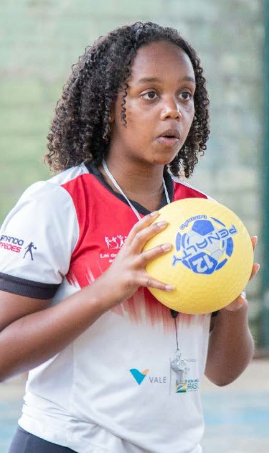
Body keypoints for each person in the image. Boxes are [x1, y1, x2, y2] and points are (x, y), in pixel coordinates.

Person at [0, 22, 259, 453]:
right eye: (150, 94)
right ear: (108, 105)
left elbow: (223, 372)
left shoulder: (204, 217)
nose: (173, 110)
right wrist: (104, 292)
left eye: (185, 94)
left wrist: (233, 308)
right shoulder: (58, 204)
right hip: (68, 443)